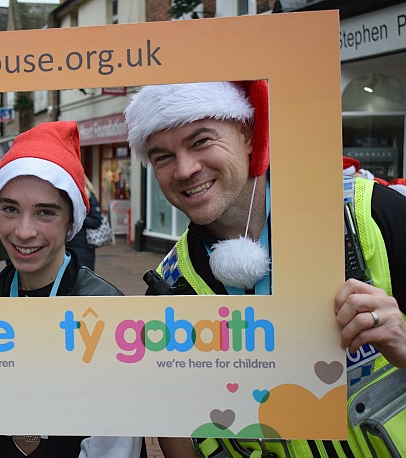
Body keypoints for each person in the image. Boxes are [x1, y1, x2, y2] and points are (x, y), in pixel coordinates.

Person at [125, 80, 406, 457]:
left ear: (248, 137)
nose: (185, 169)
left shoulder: (373, 214)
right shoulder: (169, 288)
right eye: (162, 157)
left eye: (201, 141)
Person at [0, 121, 144, 458]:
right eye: (11, 209)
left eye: (45, 212)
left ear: (71, 221)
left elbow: (113, 446)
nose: (24, 232)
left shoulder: (107, 311)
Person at [66, 175, 103, 271]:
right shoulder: (70, 196)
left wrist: (78, 216)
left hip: (84, 245)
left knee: (82, 275)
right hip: (71, 245)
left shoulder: (90, 197)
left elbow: (96, 221)